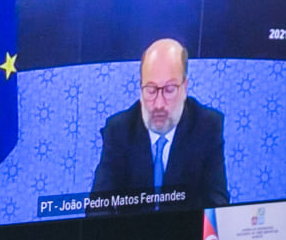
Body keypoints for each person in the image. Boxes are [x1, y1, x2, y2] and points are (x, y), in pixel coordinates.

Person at [89, 38, 228, 209]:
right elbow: (98, 205)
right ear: (140, 88)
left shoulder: (207, 126)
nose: (159, 104)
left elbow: (217, 204)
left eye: (169, 90)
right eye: (151, 90)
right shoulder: (119, 130)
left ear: (185, 87)